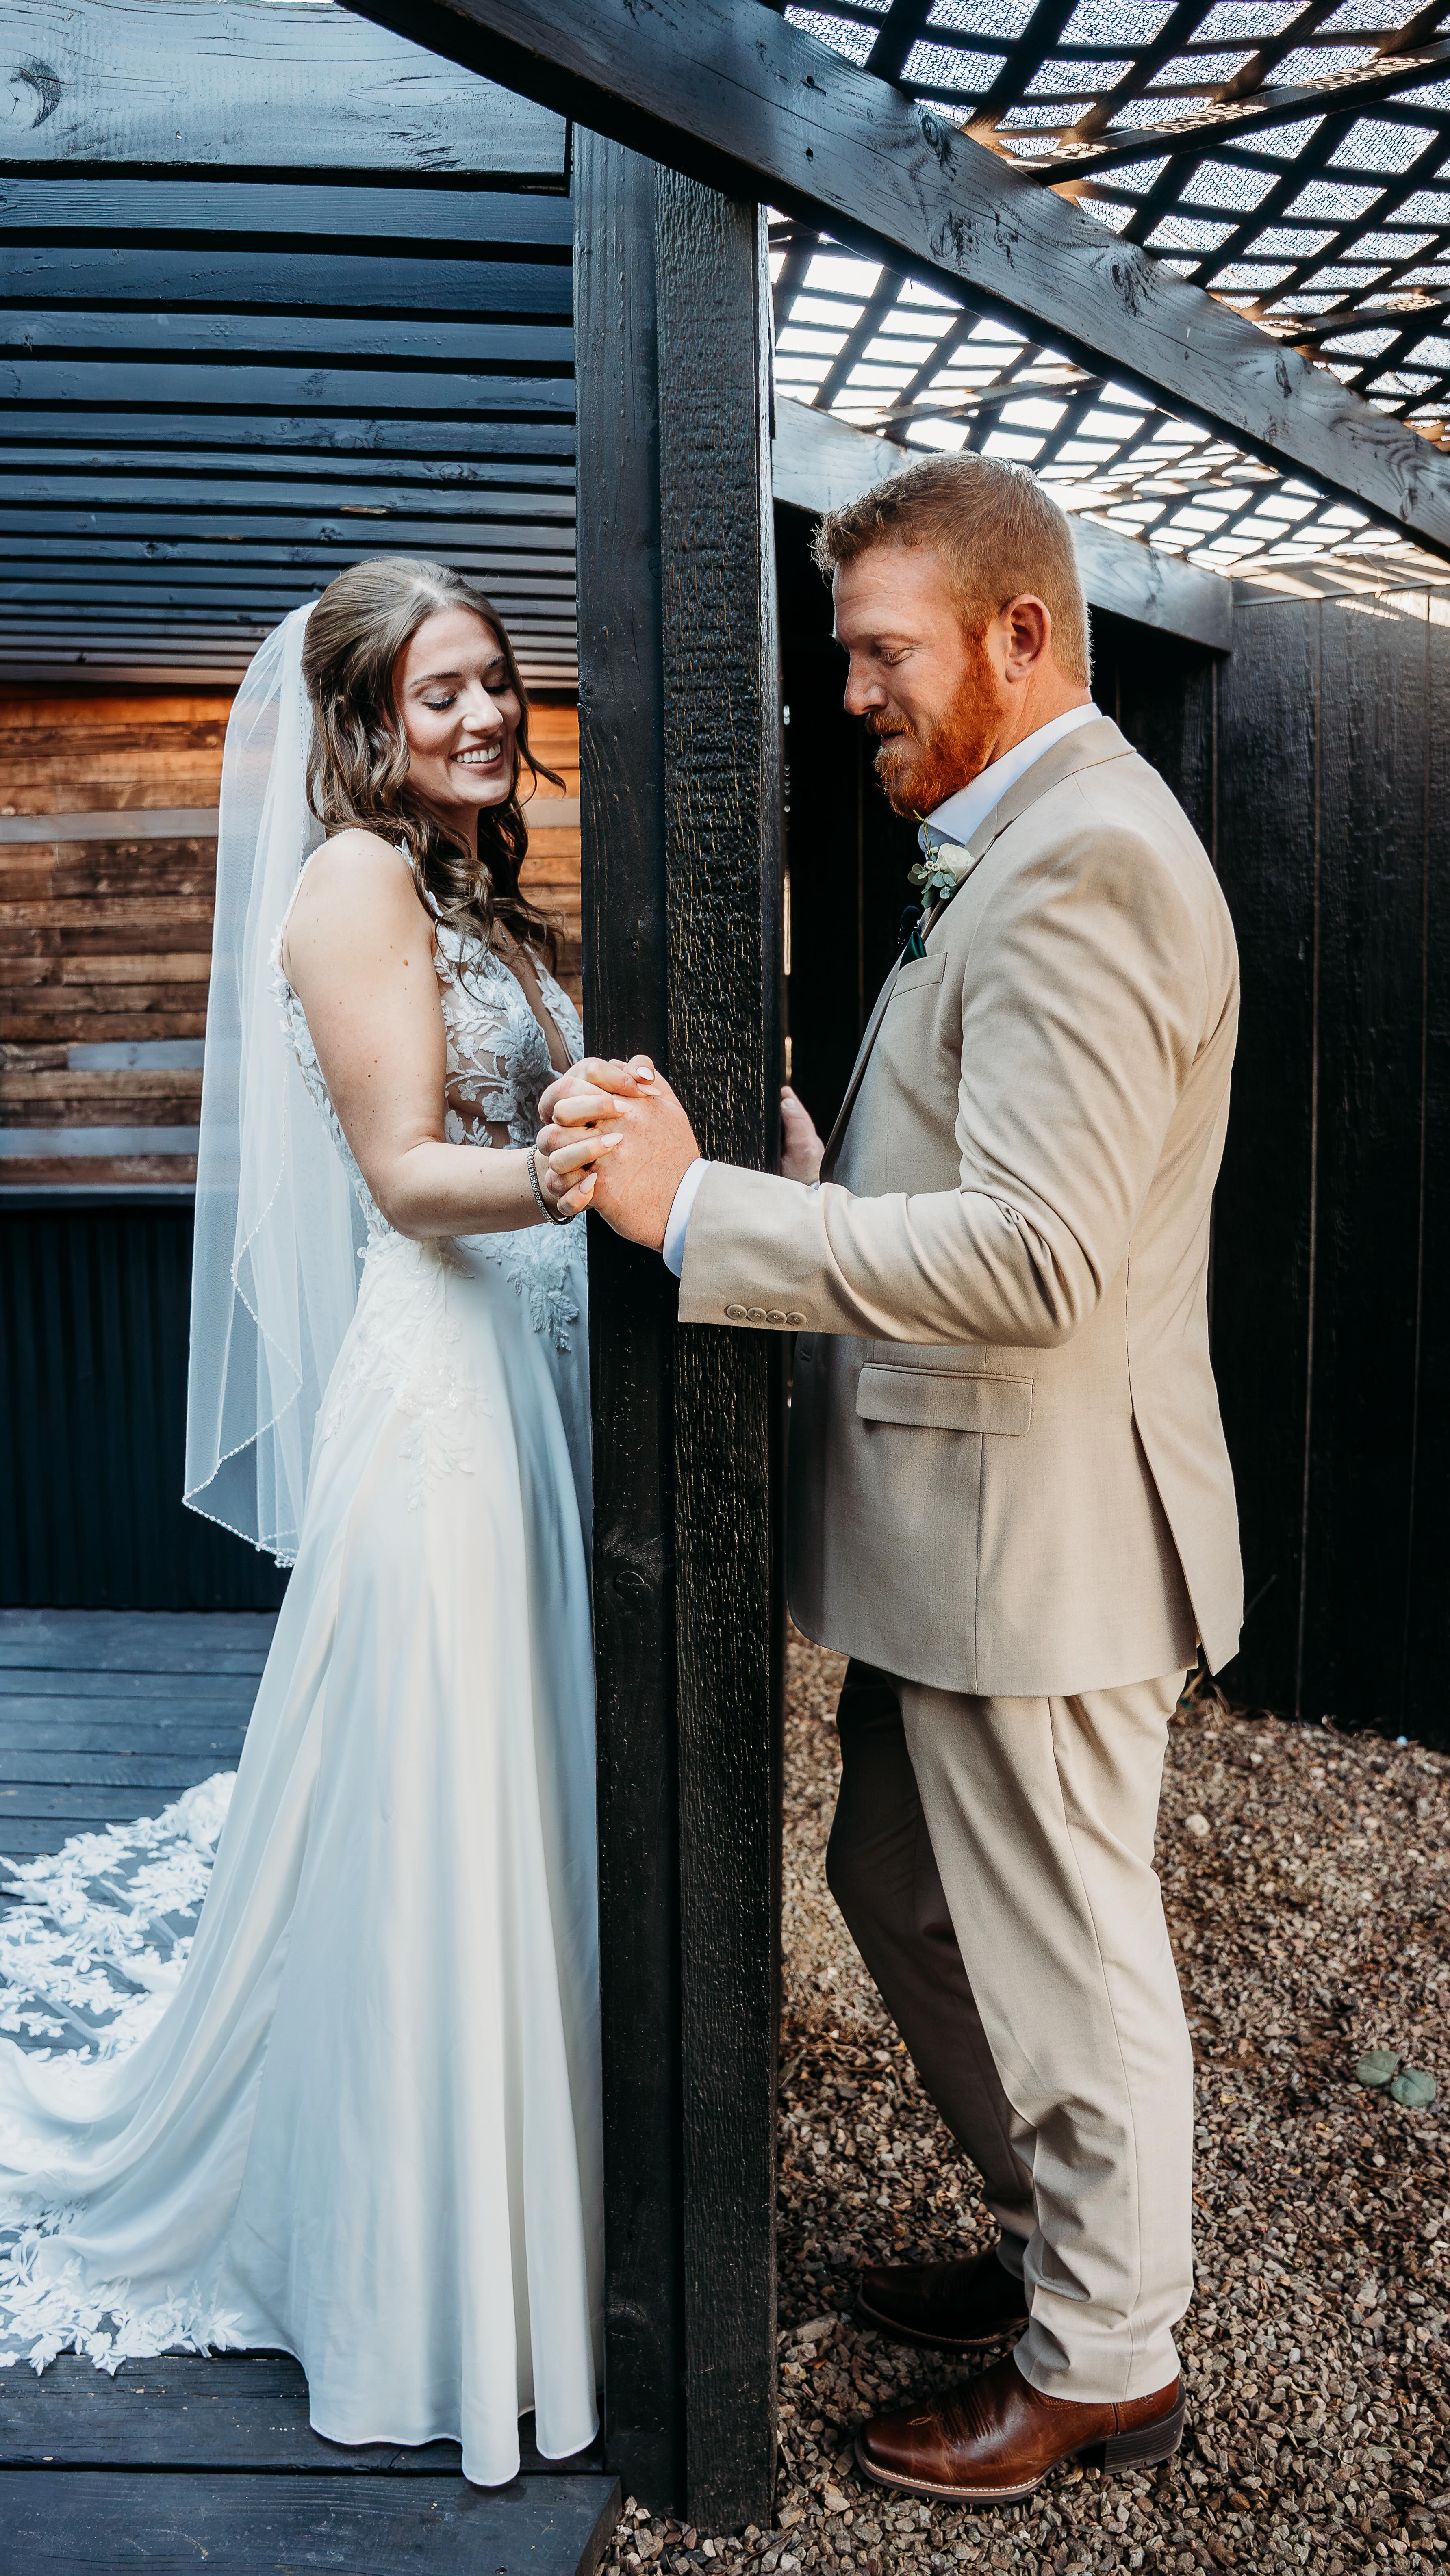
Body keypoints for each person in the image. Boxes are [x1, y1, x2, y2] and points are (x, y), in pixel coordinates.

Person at [540, 457, 1243, 2507]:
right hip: (963, 1530)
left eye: (877, 650)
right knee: (899, 1888)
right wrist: (824, 1182)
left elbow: (1038, 1263)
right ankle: (1062, 2255)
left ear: (1022, 636)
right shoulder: (1018, 841)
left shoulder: (1088, 860)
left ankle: (1106, 2354)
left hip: (1045, 1535)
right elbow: (1010, 1191)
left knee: (1062, 1943)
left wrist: (707, 1219)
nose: (845, 690)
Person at [0, 559, 603, 2489]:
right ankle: (416, 2277)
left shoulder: (469, 890)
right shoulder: (355, 884)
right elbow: (415, 1177)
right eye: (439, 694)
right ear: (361, 721)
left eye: (495, 684)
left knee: (502, 1799)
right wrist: (586, 1165)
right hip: (438, 1396)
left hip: (526, 1386)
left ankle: (536, 2205)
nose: (482, 717)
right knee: (438, 1812)